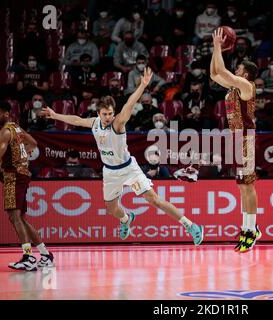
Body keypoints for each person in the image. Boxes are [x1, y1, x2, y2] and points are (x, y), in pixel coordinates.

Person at [43, 68, 203, 245]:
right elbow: (76, 120)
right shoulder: (95, 123)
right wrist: (55, 115)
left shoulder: (118, 123)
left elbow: (129, 103)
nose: (108, 117)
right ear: (98, 113)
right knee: (111, 209)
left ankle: (191, 226)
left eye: (110, 113)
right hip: (110, 172)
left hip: (128, 169)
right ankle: (127, 219)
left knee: (154, 200)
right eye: (105, 114)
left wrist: (142, 86)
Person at [0, 102, 54, 271]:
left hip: (13, 176)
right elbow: (33, 143)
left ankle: (28, 257)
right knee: (21, 218)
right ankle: (46, 255)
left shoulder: (4, 132)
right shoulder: (16, 128)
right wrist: (23, 156)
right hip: (22, 174)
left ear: (6, 114)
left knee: (15, 217)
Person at [210, 28, 261, 253]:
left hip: (246, 140)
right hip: (236, 139)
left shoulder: (246, 86)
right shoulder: (233, 87)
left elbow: (221, 69)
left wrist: (218, 46)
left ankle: (252, 230)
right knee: (242, 186)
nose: (236, 69)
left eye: (239, 68)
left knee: (248, 186)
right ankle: (246, 227)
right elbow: (214, 73)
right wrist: (215, 48)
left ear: (246, 74)